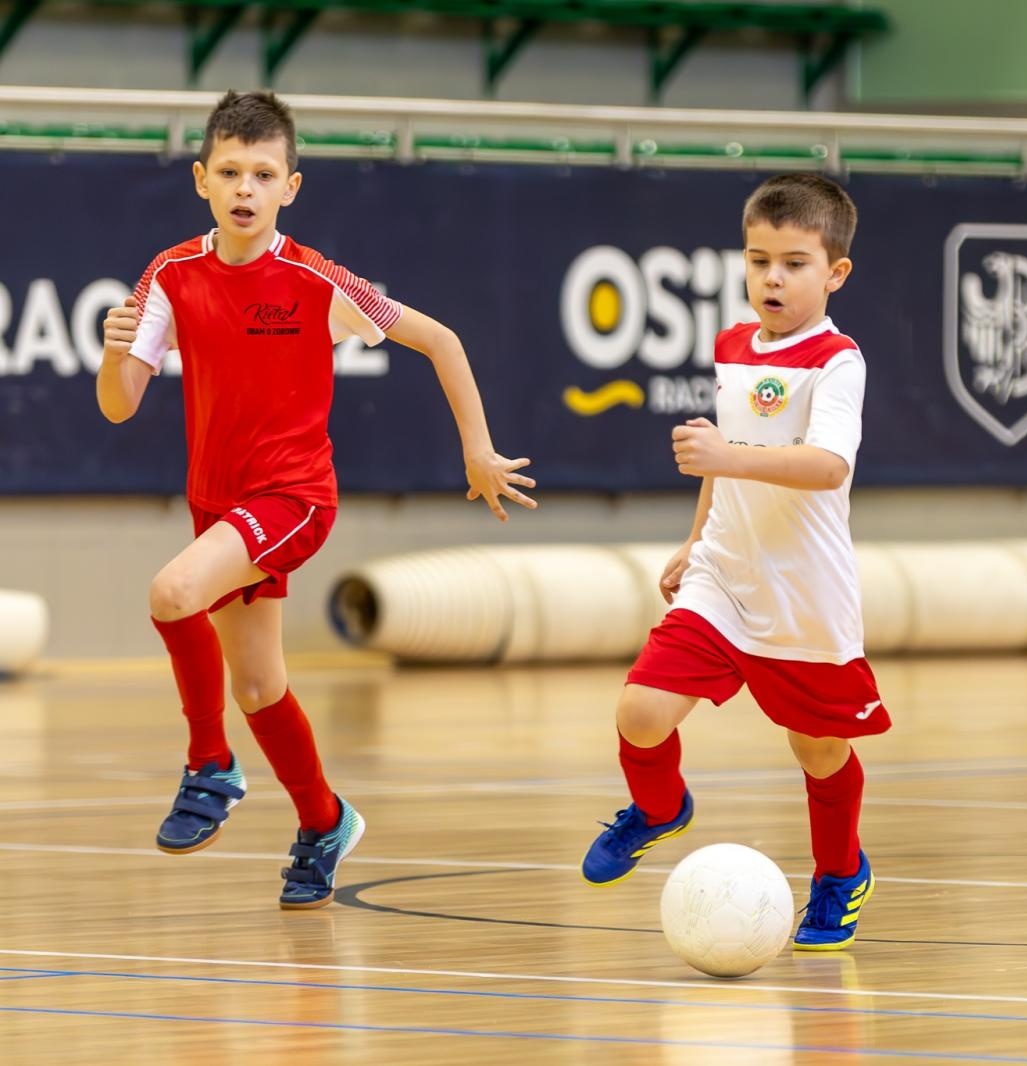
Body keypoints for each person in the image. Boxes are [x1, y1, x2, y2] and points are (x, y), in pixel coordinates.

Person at [97, 90, 536, 908]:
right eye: (230, 171)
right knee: (260, 687)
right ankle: (325, 820)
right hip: (218, 506)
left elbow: (440, 339)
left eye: (263, 174)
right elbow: (119, 403)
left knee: (171, 593)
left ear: (290, 187)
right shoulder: (170, 273)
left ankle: (210, 766)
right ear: (201, 179)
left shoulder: (316, 280)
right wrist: (113, 355)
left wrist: (476, 449)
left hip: (293, 498)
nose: (245, 188)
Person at [580, 173, 886, 949]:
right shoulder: (731, 344)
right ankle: (658, 809)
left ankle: (840, 872)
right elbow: (724, 464)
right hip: (724, 574)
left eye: (793, 262)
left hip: (803, 593)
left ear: (836, 272)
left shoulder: (838, 360)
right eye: (758, 261)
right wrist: (697, 536)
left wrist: (730, 454)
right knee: (640, 712)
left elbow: (826, 467)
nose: (772, 278)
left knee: (819, 748)